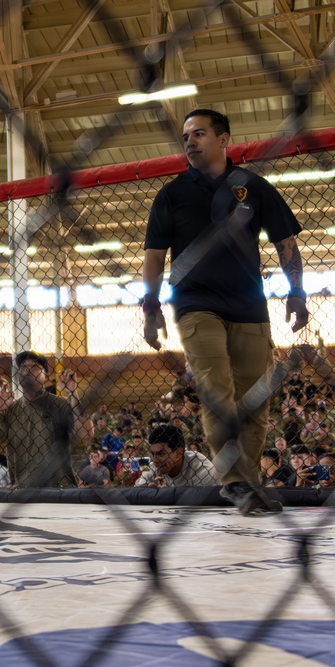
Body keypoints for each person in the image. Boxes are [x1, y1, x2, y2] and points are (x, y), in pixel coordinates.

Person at [141, 108, 309, 514]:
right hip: (196, 305)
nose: (190, 142)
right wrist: (151, 308)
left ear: (223, 139)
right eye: (185, 137)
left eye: (199, 134)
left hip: (250, 304)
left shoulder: (253, 187)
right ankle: (234, 481)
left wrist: (297, 293)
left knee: (256, 397)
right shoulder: (172, 194)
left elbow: (285, 242)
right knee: (217, 390)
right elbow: (153, 256)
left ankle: (247, 482)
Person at [0, 351, 93, 487]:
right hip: (23, 491)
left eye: (34, 366)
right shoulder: (9, 411)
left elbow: (86, 434)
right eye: (23, 367)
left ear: (46, 376)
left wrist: (73, 393)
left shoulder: (62, 404)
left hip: (60, 491)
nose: (27, 369)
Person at [135, 424, 218, 488]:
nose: (155, 460)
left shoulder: (202, 469)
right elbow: (139, 486)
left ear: (178, 452)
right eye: (152, 454)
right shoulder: (155, 466)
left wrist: (165, 495)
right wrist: (148, 490)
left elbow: (202, 505)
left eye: (161, 454)